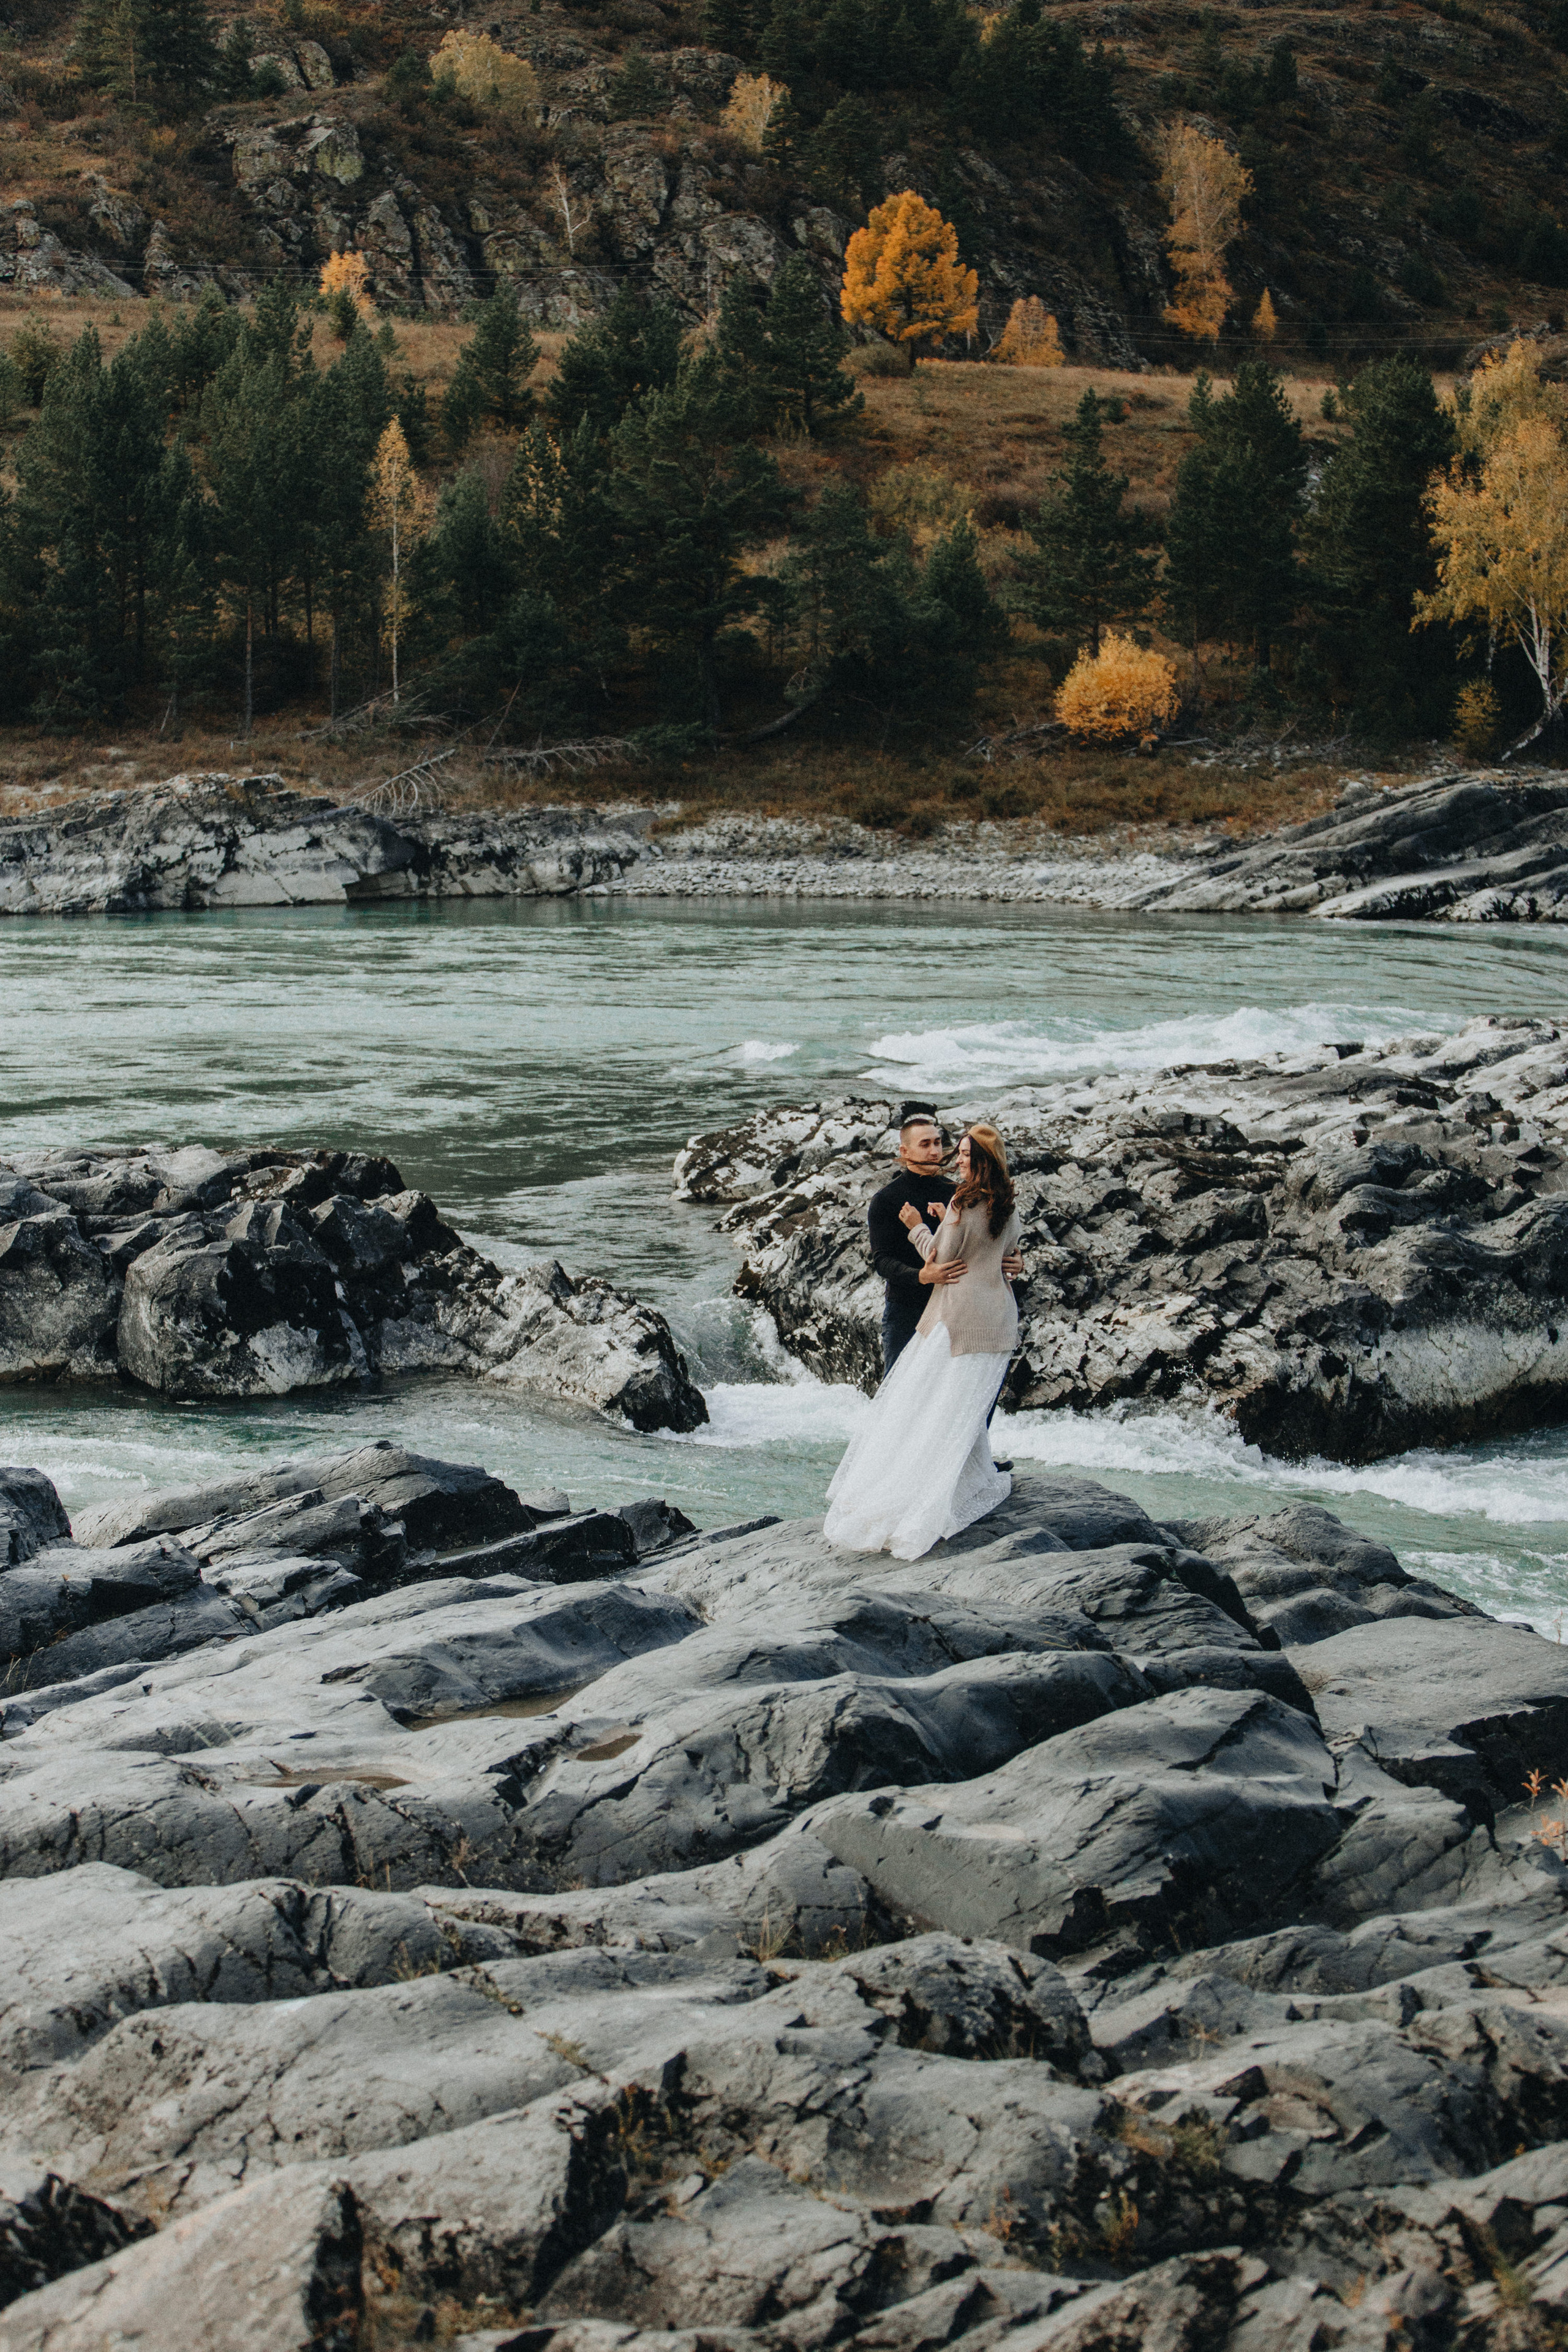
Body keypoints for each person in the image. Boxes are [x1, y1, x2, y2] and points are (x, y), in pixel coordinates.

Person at [824, 1123, 1023, 1560]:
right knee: (913, 1404)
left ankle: (943, 1482)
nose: (941, 1152)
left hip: (951, 1313)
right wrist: (923, 1273)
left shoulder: (961, 1193)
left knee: (950, 1406)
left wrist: (925, 1231)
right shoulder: (889, 1200)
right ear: (903, 1152)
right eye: (928, 1144)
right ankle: (932, 1479)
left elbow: (953, 1254)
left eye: (946, 1145)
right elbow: (880, 1260)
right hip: (915, 1310)